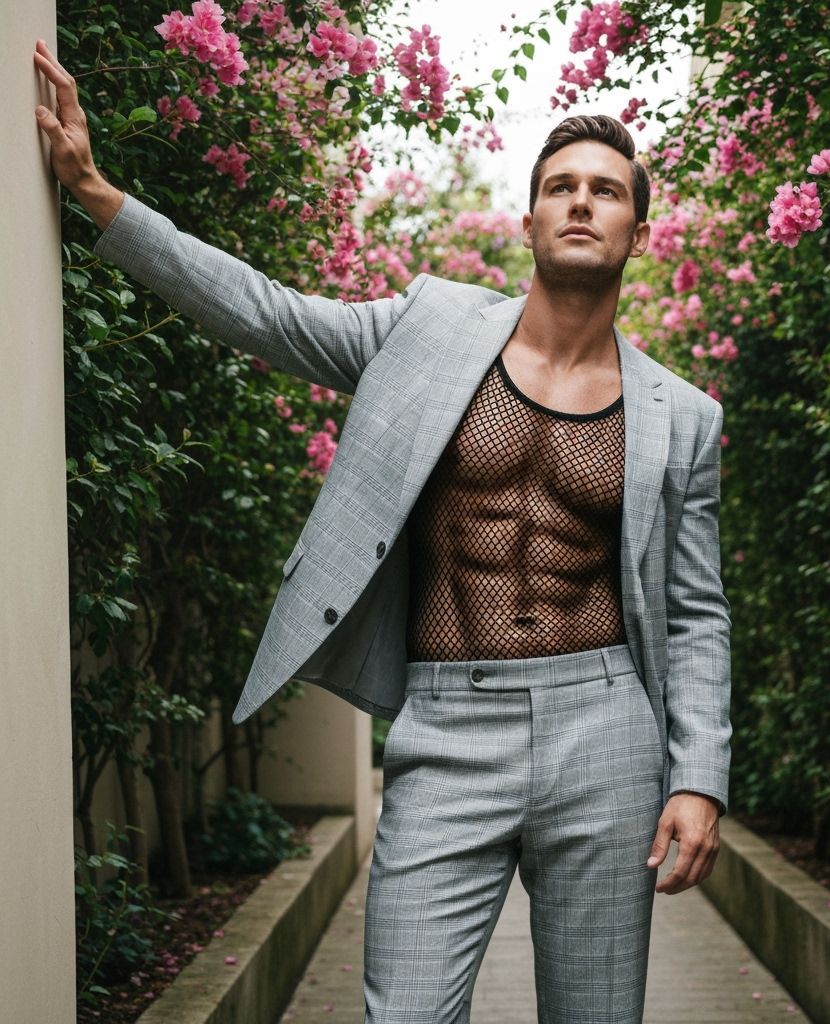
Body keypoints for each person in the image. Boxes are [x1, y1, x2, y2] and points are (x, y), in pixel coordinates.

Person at [34, 35, 732, 1024]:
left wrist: (698, 777)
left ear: (638, 230)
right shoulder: (428, 329)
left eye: (606, 190)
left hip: (606, 731)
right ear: (529, 218)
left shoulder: (683, 416)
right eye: (562, 186)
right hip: (448, 722)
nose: (582, 202)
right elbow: (271, 316)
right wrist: (97, 194)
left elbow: (697, 613)